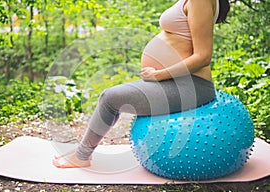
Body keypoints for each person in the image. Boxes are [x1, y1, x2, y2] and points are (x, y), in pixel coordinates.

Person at [53, 0, 230, 168]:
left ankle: (82, 155)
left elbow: (203, 57)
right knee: (112, 97)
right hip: (175, 83)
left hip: (192, 86)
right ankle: (82, 152)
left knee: (110, 98)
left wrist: (159, 75)